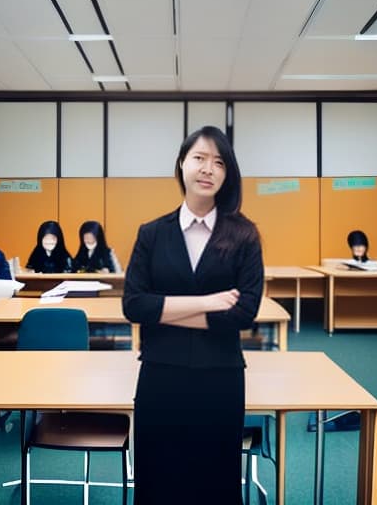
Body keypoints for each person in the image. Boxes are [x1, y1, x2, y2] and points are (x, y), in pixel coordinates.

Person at [123, 126, 264, 504]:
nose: (208, 168)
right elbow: (134, 305)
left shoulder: (245, 234)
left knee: (215, 480)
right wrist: (207, 302)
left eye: (219, 162)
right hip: (160, 373)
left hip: (220, 375)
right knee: (157, 478)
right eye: (199, 158)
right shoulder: (152, 233)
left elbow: (245, 312)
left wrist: (164, 308)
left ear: (227, 173)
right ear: (182, 164)